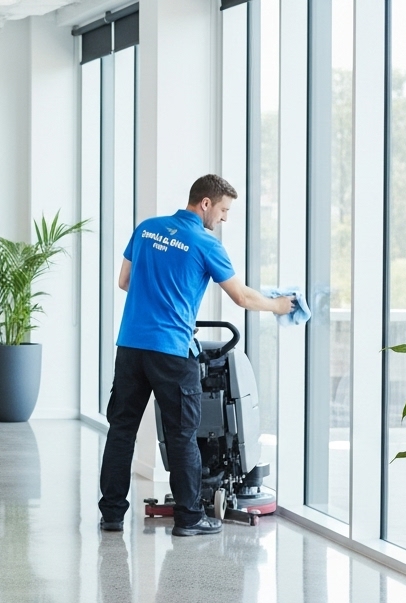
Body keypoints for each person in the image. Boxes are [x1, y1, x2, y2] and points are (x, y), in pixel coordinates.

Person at [98, 174, 292, 537]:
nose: (224, 219)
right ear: (206, 203)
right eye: (223, 210)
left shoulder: (146, 229)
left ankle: (111, 515)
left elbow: (125, 281)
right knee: (182, 434)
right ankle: (189, 518)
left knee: (121, 430)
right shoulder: (204, 243)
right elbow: (242, 297)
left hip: (131, 346)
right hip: (172, 352)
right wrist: (278, 306)